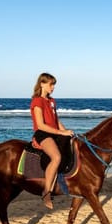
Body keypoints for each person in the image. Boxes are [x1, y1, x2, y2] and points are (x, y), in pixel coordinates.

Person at [30, 72, 74, 209]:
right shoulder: (37, 101)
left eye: (54, 84)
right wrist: (61, 132)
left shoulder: (52, 101)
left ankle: (63, 181)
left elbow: (56, 121)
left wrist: (68, 133)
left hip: (54, 132)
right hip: (43, 133)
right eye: (51, 84)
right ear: (42, 84)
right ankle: (46, 192)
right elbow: (41, 125)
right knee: (56, 157)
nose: (53, 87)